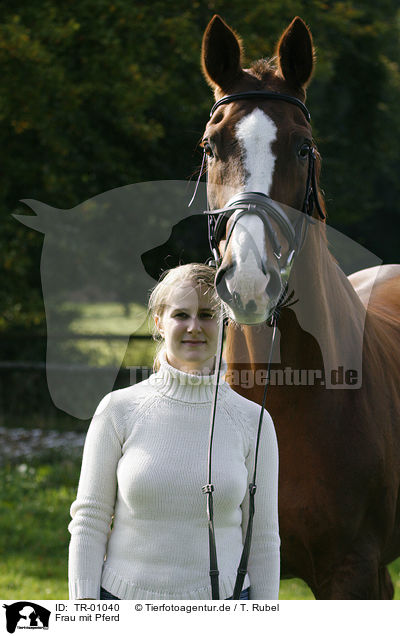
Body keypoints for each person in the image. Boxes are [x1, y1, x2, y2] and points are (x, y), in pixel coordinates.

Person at [68, 263, 280, 600]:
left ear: (227, 323)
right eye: (181, 315)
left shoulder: (254, 421)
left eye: (208, 315)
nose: (194, 327)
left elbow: (263, 537)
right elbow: (89, 521)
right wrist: (85, 610)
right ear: (159, 323)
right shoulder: (116, 410)